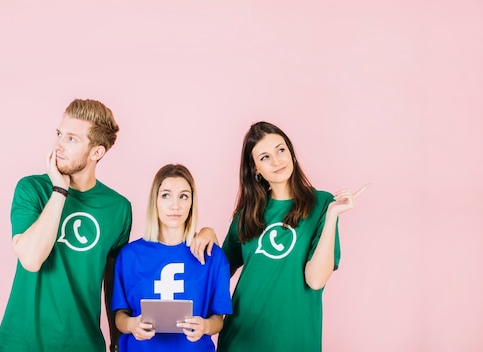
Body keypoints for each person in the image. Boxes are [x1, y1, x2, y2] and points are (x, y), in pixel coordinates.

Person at [192, 121, 369, 351]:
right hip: (242, 337)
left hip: (295, 339)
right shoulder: (249, 213)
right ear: (255, 169)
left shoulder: (322, 204)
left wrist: (333, 214)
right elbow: (220, 268)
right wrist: (208, 232)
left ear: (291, 153)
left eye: (281, 149)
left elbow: (315, 280)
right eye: (264, 157)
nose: (276, 161)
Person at [0, 99, 133, 351]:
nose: (58, 145)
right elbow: (32, 259)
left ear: (96, 152)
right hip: (21, 343)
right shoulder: (32, 189)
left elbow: (113, 284)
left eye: (71, 139)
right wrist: (59, 190)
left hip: (83, 344)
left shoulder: (119, 208)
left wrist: (116, 341)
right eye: (59, 134)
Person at [111, 164, 233, 352]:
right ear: (155, 200)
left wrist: (205, 327)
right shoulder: (130, 256)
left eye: (183, 196)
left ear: (192, 202)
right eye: (166, 195)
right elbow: (120, 315)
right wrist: (131, 325)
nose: (175, 205)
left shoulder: (212, 256)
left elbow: (218, 319)